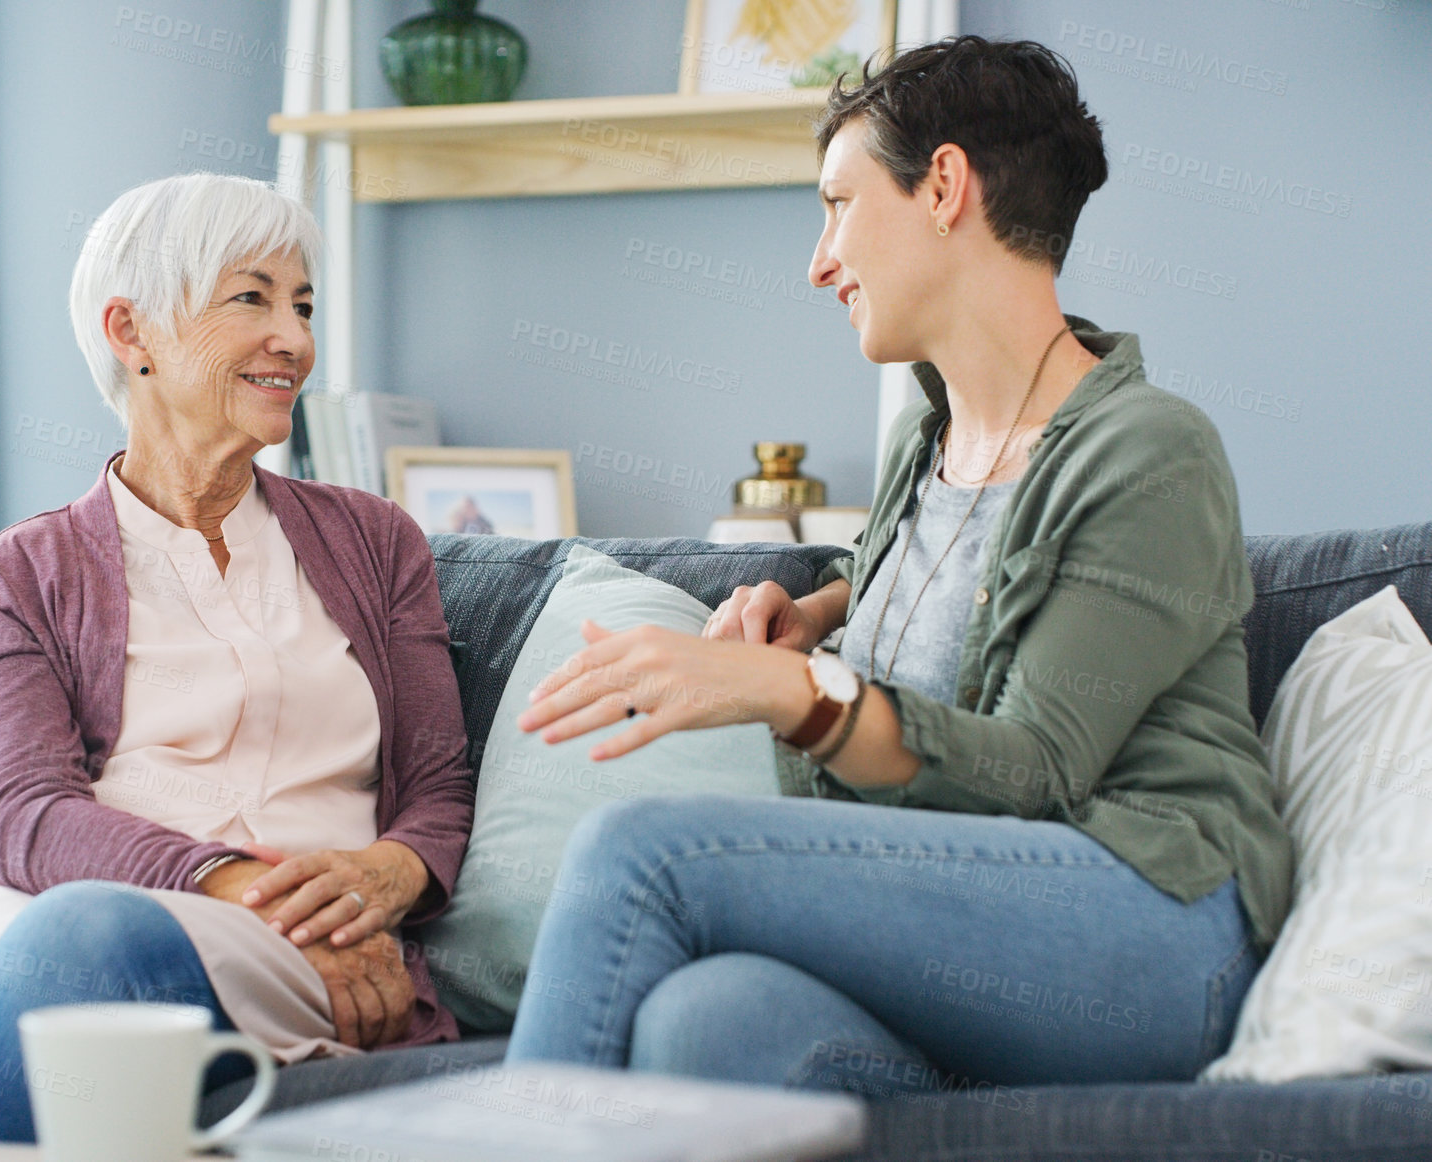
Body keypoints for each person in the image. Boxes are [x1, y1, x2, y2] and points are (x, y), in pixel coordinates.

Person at [504, 36, 1291, 1094]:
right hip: (971, 947)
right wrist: (823, 608)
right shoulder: (921, 450)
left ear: (944, 187)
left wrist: (790, 689)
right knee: (706, 1023)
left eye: (838, 203)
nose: (819, 259)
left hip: (1150, 924)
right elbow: (964, 583)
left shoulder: (1151, 451)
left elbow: (1033, 770)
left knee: (637, 854)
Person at [0, 173, 474, 1140]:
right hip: (42, 901)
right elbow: (25, 813)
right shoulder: (21, 569)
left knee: (86, 956)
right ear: (131, 332)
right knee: (77, 941)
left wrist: (386, 879)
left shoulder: (378, 542)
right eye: (252, 299)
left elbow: (437, 784)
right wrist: (235, 884)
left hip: (296, 935)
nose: (295, 341)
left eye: (303, 306)